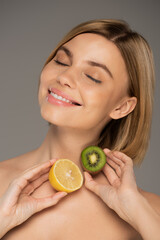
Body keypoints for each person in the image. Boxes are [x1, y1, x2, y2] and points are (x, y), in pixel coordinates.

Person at [0, 19, 160, 240]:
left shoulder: (149, 212)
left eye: (92, 77)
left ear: (122, 107)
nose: (64, 77)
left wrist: (138, 212)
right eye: (61, 61)